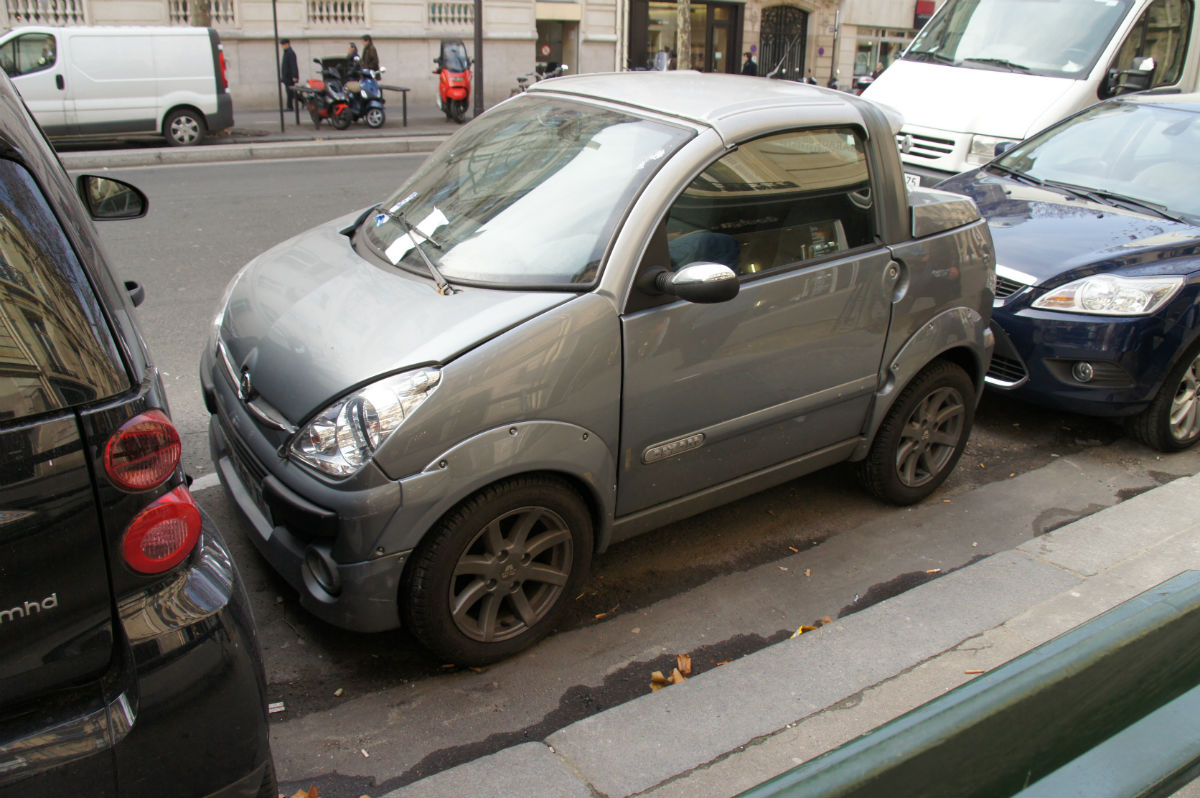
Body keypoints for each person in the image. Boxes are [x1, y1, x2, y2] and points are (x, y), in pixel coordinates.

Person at [280, 38, 299, 111]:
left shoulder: (290, 53)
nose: (283, 46)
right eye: (282, 45)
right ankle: (301, 101)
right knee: (290, 92)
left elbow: (293, 65)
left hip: (290, 76)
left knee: (290, 92)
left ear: (288, 44)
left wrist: (295, 76)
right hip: (287, 76)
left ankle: (290, 107)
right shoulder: (286, 52)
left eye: (284, 44)